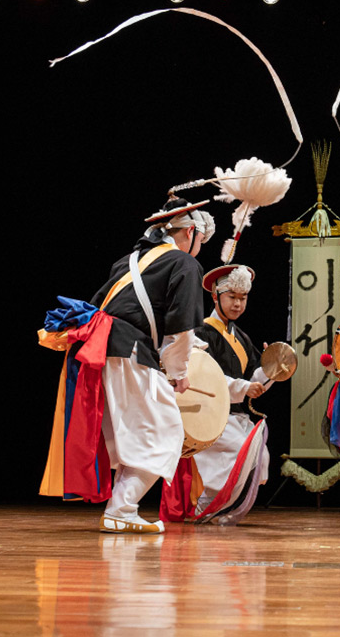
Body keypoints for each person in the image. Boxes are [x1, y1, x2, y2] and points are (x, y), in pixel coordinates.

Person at [89, 196, 216, 534]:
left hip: (103, 350)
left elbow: (107, 306)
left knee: (131, 435)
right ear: (190, 232)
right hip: (131, 352)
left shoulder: (128, 261)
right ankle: (121, 509)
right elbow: (181, 328)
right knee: (165, 433)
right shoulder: (184, 264)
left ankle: (121, 509)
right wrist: (178, 374)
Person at [162, 264, 272, 524]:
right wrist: (244, 388)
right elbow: (205, 377)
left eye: (243, 298)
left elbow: (255, 380)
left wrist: (271, 369)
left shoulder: (241, 337)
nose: (237, 304)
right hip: (207, 414)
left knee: (260, 456)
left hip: (234, 415)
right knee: (239, 451)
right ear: (215, 296)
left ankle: (219, 508)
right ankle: (206, 506)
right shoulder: (200, 333)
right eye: (232, 297)